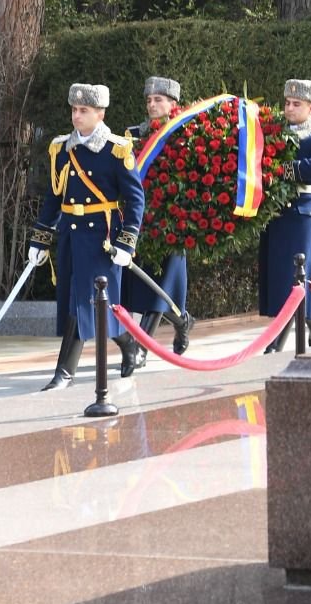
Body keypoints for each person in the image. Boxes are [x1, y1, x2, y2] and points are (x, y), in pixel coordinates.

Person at [28, 83, 146, 390]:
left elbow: (135, 199)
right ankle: (129, 343)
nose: (76, 116)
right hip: (71, 234)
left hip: (102, 237)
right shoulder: (61, 148)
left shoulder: (117, 150)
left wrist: (127, 241)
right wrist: (40, 239)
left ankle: (63, 372)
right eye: (74, 110)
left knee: (83, 302)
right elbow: (54, 197)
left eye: (84, 111)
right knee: (88, 303)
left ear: (100, 114)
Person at [260, 79, 311, 350]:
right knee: (279, 279)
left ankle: (274, 344)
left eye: (296, 104)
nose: (289, 109)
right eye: (287, 103)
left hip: (303, 216)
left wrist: (281, 169)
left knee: (298, 279)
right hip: (276, 215)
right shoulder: (273, 133)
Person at [123, 76, 195, 365]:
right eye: (149, 100)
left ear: (173, 103)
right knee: (145, 284)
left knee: (163, 284)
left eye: (159, 100)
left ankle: (140, 348)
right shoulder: (133, 133)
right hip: (143, 219)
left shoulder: (186, 133)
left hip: (174, 221)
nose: (152, 105)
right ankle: (182, 322)